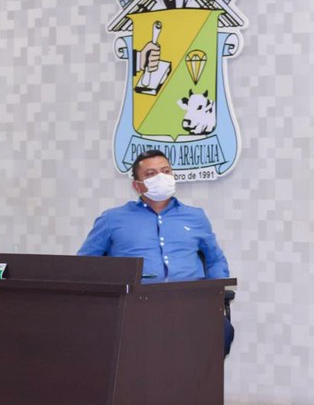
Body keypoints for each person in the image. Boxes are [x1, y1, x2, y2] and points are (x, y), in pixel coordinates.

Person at [78, 149, 235, 355]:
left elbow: (215, 260)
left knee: (222, 330)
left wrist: (215, 295)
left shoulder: (196, 217)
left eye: (166, 171)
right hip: (136, 307)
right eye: (151, 174)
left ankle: (194, 377)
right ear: (137, 185)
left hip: (190, 303)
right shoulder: (112, 219)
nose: (161, 177)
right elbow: (85, 266)